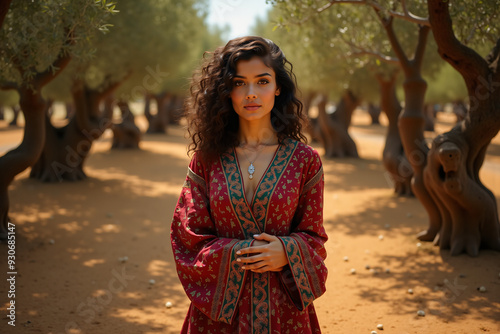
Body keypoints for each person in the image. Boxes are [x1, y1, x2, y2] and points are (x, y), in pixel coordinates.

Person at [171, 36, 328, 334]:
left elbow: (314, 237)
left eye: (262, 81)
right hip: (218, 318)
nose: (251, 93)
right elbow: (187, 237)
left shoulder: (304, 161)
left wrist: (287, 252)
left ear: (278, 87)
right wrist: (241, 254)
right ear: (226, 91)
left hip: (285, 315)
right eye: (239, 83)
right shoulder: (206, 160)